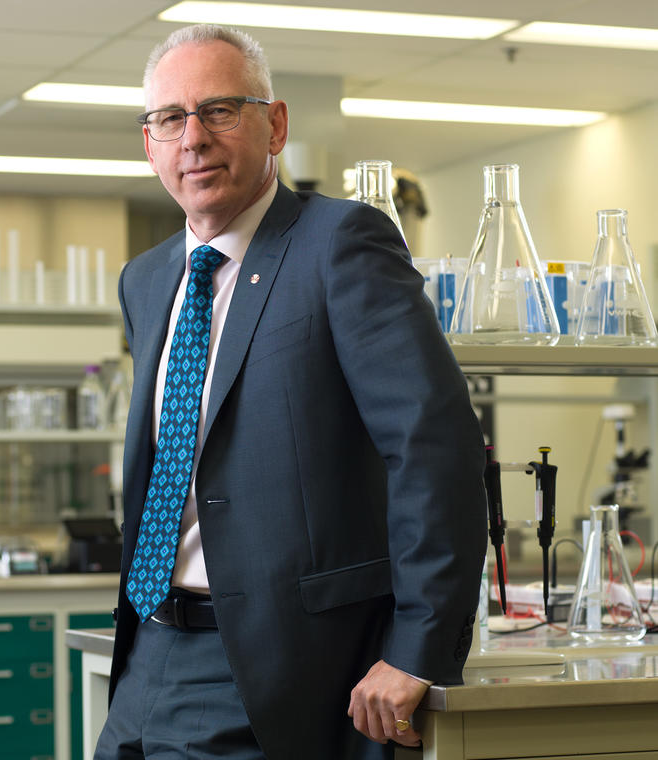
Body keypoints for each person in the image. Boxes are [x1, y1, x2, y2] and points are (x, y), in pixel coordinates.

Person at [95, 23, 486, 760]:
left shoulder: (339, 243)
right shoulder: (146, 281)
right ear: (149, 142)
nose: (193, 140)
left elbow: (433, 445)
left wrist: (418, 648)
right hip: (146, 650)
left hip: (276, 666)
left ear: (273, 125)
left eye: (219, 111)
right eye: (169, 119)